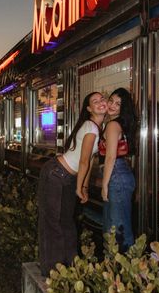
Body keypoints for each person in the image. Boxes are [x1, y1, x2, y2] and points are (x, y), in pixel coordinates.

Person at [37, 91, 107, 276]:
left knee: (66, 223)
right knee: (55, 224)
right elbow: (83, 161)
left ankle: (68, 269)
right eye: (95, 101)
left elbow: (90, 160)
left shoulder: (96, 128)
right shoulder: (92, 127)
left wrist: (83, 186)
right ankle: (54, 272)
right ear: (89, 109)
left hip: (63, 176)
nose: (100, 102)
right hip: (56, 175)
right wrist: (79, 187)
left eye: (102, 99)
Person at [99, 87, 137, 251]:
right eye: (111, 101)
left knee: (117, 229)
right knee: (115, 227)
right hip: (121, 174)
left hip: (116, 175)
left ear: (123, 108)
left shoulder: (113, 125)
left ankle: (126, 270)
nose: (113, 105)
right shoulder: (119, 123)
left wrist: (104, 184)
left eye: (118, 104)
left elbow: (110, 157)